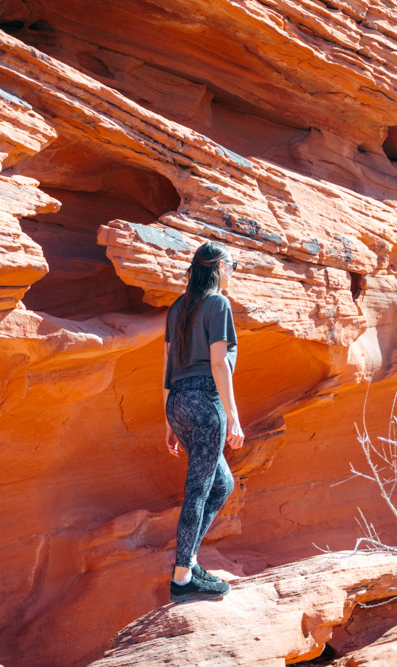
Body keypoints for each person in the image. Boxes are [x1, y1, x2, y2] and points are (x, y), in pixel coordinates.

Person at [163, 241, 245, 603]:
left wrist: (169, 419)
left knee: (221, 484)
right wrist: (233, 416)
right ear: (220, 267)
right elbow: (218, 363)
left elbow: (166, 367)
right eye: (234, 265)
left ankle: (189, 560)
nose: (234, 273)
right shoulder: (218, 304)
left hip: (179, 401)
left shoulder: (178, 307)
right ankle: (183, 577)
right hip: (204, 400)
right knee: (198, 489)